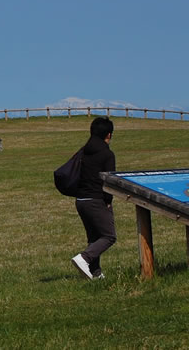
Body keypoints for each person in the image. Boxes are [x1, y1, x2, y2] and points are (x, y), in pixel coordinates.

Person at [71, 116, 117, 280]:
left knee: (94, 238)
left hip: (81, 201)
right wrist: (108, 201)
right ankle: (84, 258)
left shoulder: (83, 151)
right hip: (96, 200)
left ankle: (96, 272)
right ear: (109, 135)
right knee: (109, 236)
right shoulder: (107, 154)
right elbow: (108, 182)